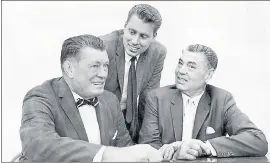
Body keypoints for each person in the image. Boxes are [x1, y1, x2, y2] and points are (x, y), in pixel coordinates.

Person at [19, 34, 163, 162]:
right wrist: (105, 154)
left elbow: (126, 149)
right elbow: (37, 143)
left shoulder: (110, 100)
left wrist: (165, 153)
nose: (103, 74)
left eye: (106, 66)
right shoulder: (40, 97)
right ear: (69, 69)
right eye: (95, 66)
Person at [139, 44, 268, 160]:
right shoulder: (156, 98)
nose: (181, 71)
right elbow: (148, 147)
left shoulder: (222, 99)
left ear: (208, 74)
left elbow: (257, 140)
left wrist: (204, 147)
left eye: (191, 66)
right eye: (180, 63)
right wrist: (177, 151)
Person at [100, 4, 167, 143]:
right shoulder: (102, 47)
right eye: (131, 32)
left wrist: (147, 141)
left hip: (129, 120)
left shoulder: (157, 52)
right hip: (100, 117)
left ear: (154, 36)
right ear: (124, 26)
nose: (135, 41)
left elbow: (148, 99)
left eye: (143, 36)